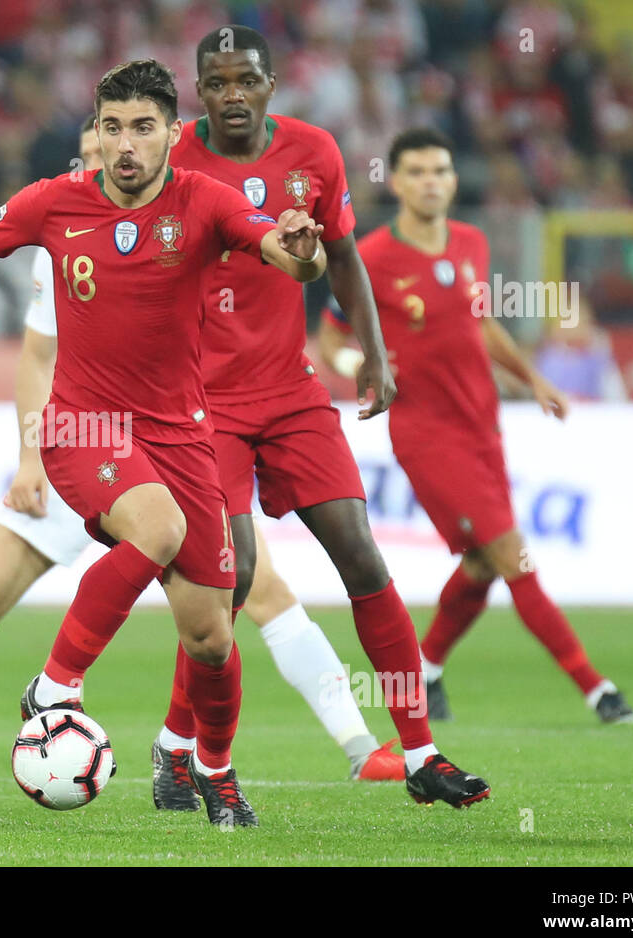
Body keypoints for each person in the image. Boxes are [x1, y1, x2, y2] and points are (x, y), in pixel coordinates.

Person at [0, 116, 404, 787]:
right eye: (96, 146)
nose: (109, 156)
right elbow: (37, 358)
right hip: (82, 442)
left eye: (124, 142)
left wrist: (302, 252)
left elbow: (289, 256)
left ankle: (353, 745)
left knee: (242, 603)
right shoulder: (59, 227)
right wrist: (32, 457)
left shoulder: (186, 213)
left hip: (163, 443)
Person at [152, 26, 486, 811]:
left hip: (292, 391)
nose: (233, 92)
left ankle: (422, 753)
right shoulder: (175, 164)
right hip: (205, 403)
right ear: (200, 91)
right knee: (223, 585)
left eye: (247, 79)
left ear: (272, 85)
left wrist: (374, 350)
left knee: (362, 558)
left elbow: (341, 255)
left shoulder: (314, 153)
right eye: (218, 80)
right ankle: (182, 749)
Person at [318, 127, 633, 724]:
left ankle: (426, 665)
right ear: (397, 182)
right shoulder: (373, 257)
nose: (431, 181)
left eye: (440, 170)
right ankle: (598, 689)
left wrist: (532, 379)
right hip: (425, 433)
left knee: (483, 563)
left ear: (454, 179)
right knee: (513, 555)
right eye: (417, 172)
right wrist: (356, 367)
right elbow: (329, 339)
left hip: (482, 423)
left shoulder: (470, 242)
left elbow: (481, 322)